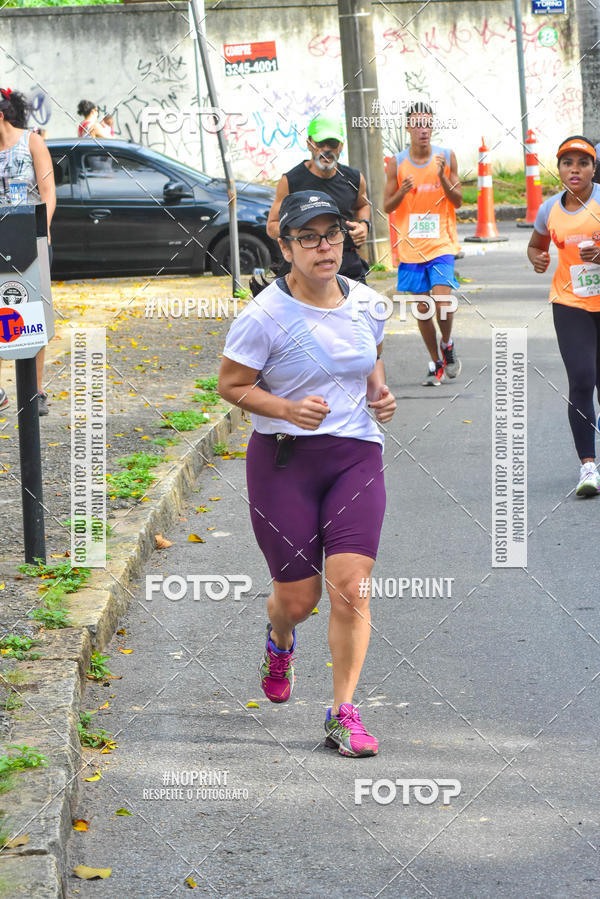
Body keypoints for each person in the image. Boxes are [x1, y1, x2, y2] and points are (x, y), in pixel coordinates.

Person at [218, 191, 397, 757]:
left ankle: (343, 711)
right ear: (286, 245)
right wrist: (285, 408)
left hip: (354, 456)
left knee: (350, 587)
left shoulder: (368, 303)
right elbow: (231, 386)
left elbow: (368, 356)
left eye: (334, 235)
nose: (326, 248)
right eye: (310, 238)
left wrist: (379, 393)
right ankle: (280, 639)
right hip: (283, 462)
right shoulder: (264, 316)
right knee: (299, 598)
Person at [528, 135, 600, 497]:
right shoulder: (549, 209)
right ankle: (588, 466)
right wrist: (536, 258)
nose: (575, 169)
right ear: (558, 169)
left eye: (583, 163)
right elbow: (536, 244)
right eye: (568, 163)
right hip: (570, 302)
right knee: (583, 379)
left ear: (593, 168)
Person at [383, 101, 462, 386]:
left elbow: (458, 200)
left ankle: (448, 342)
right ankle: (438, 361)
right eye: (417, 124)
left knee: (442, 301)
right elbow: (386, 204)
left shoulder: (446, 156)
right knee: (423, 309)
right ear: (408, 128)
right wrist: (402, 192)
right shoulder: (397, 162)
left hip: (441, 243)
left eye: (427, 124)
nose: (423, 130)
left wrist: (442, 176)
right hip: (411, 247)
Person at [0, 88, 56, 415]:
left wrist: (41, 229)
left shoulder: (31, 141)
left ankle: (34, 392)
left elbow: (48, 191)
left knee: (31, 315)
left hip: (30, 243)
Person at [267, 114, 371, 283]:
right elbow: (272, 226)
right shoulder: (291, 181)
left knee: (362, 308)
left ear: (341, 146)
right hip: (305, 268)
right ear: (309, 144)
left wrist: (364, 225)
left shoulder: (354, 179)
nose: (326, 150)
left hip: (347, 266)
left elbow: (362, 206)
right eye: (320, 143)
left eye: (332, 144)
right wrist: (305, 233)